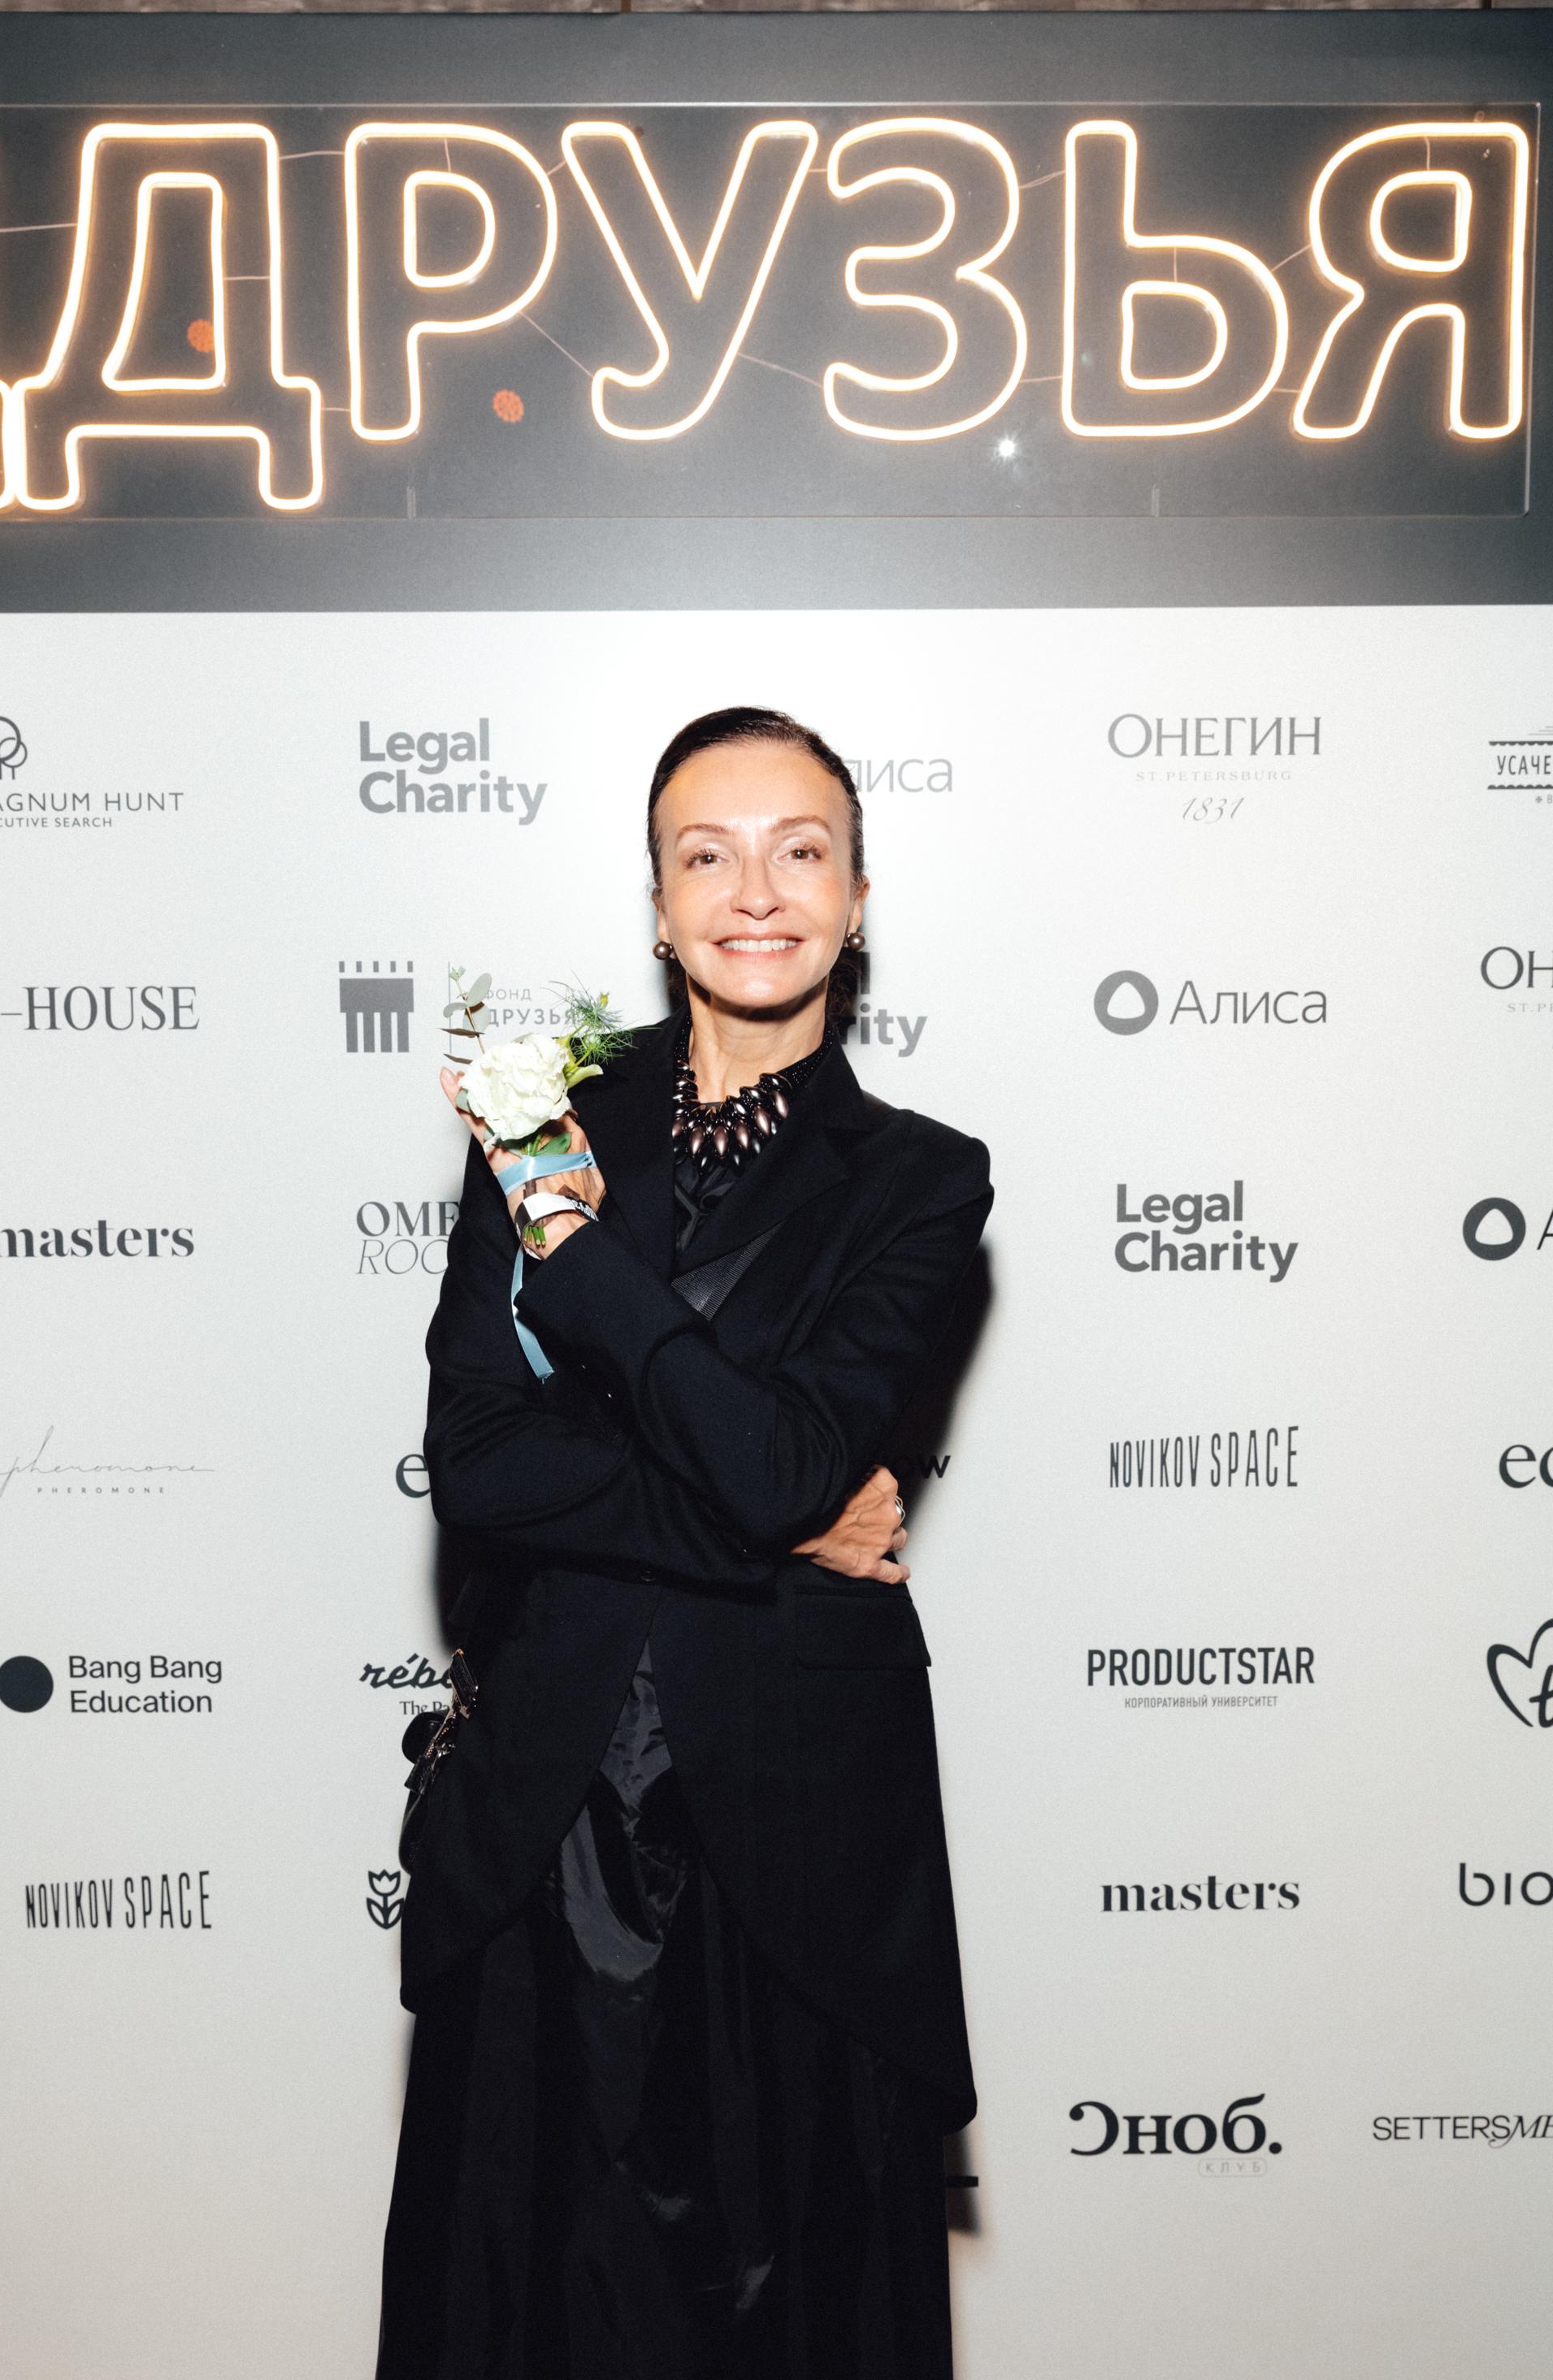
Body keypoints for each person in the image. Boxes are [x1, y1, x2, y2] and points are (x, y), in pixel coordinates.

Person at [377, 705, 993, 2380]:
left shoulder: (923, 1180)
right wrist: (778, 1532)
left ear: (856, 898)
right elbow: (482, 1466)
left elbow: (782, 1456)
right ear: (657, 905)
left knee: (790, 2304)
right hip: (549, 1807)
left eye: (802, 853)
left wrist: (578, 1260)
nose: (756, 893)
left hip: (796, 1832)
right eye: (705, 855)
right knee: (525, 2298)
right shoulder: (539, 1125)